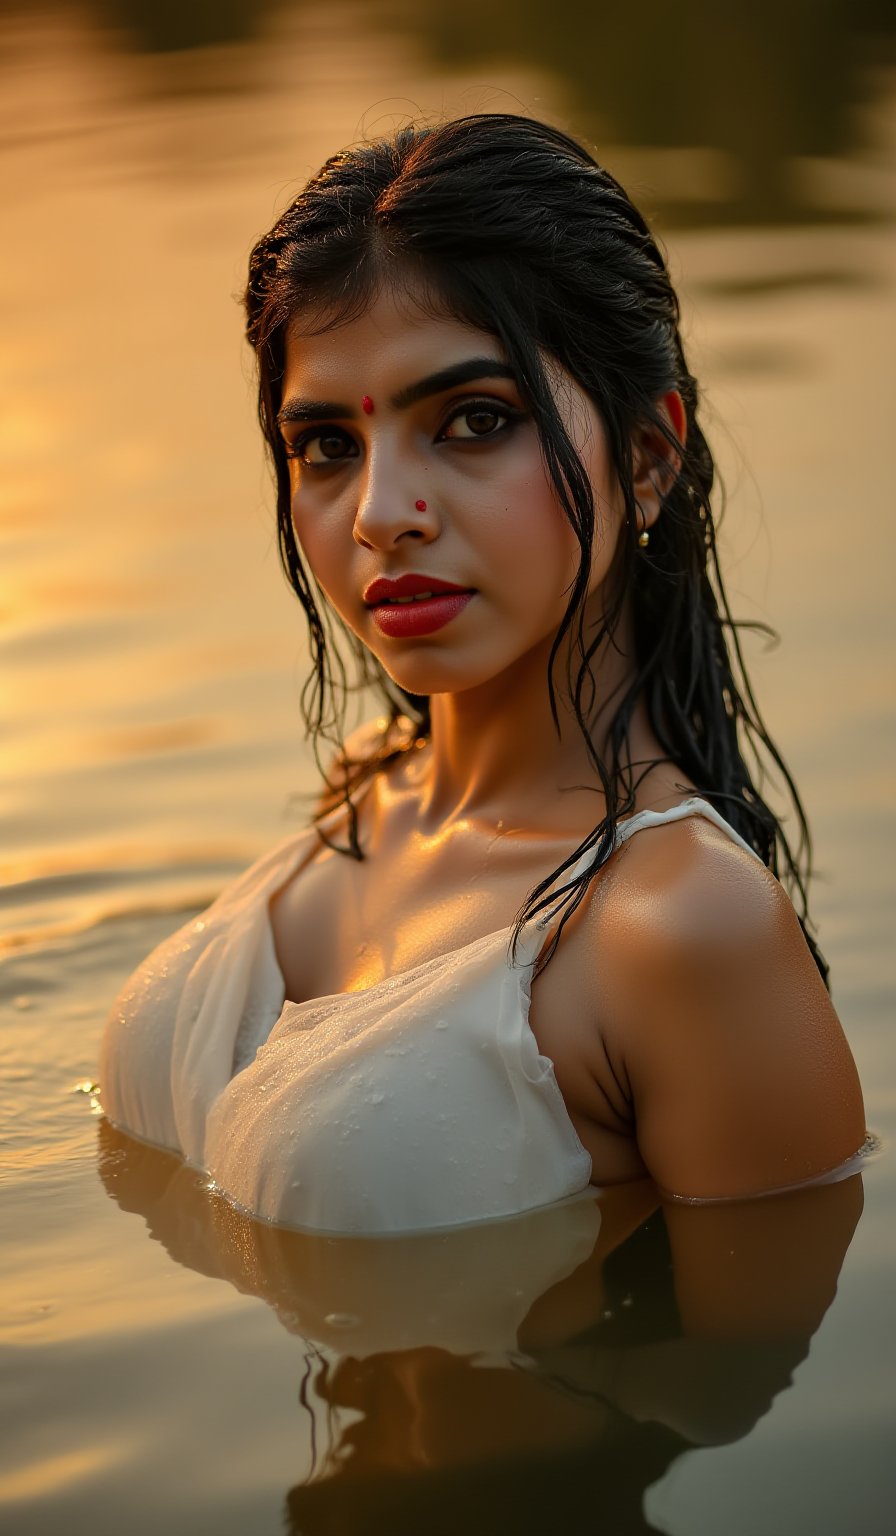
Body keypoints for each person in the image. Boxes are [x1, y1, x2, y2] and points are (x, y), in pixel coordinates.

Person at [100, 114, 866, 1233]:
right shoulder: (363, 794)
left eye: (471, 419)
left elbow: (744, 1386)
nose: (379, 516)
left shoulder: (685, 929)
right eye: (325, 446)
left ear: (646, 458)